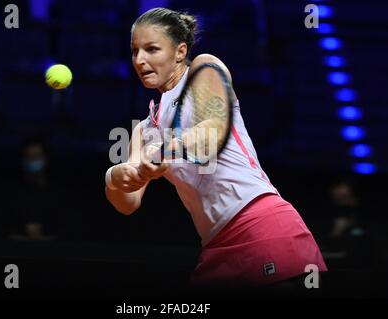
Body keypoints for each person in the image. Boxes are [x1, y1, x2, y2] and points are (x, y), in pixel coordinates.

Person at [105, 7, 327, 290]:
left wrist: (163, 151)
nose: (140, 60)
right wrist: (115, 177)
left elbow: (212, 130)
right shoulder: (143, 129)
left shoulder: (204, 70)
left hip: (261, 226)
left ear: (179, 51)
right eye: (135, 51)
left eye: (151, 49)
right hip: (215, 247)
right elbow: (128, 203)